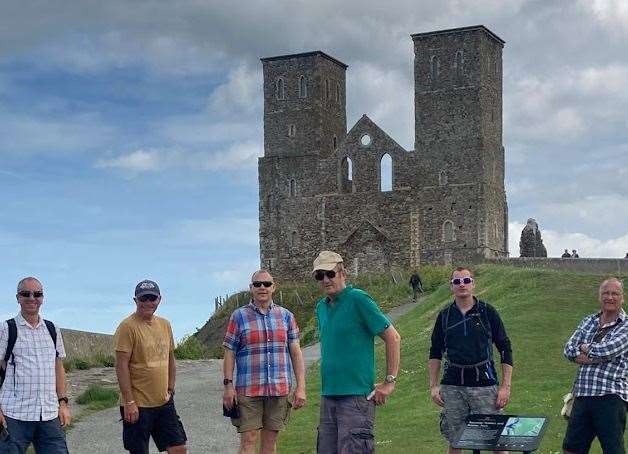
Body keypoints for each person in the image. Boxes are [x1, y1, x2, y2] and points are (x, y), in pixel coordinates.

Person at [313, 251, 401, 453]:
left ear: (343, 272)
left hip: (355, 398)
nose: (326, 279)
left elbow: (393, 337)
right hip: (328, 396)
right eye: (320, 276)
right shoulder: (321, 307)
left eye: (330, 273)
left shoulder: (358, 299)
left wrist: (389, 382)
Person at [428, 267, 513, 454]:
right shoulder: (445, 316)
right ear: (452, 286)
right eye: (457, 282)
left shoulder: (487, 312)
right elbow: (435, 352)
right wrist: (434, 386)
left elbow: (505, 348)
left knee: (496, 439)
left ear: (473, 284)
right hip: (452, 385)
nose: (462, 285)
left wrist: (505, 387)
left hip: (484, 383)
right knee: (455, 440)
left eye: (466, 280)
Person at [222, 270, 306, 454]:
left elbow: (296, 353)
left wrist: (301, 387)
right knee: (249, 438)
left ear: (273, 288)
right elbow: (229, 351)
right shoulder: (239, 316)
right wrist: (228, 386)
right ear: (251, 288)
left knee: (270, 441)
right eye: (257, 284)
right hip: (248, 389)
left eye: (266, 284)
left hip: (279, 389)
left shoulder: (286, 316)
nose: (262, 287)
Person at [114, 279, 187, 454]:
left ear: (159, 299)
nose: (148, 302)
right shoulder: (127, 327)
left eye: (152, 298)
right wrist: (129, 401)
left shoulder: (165, 324)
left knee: (178, 447)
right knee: (139, 451)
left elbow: (170, 358)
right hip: (138, 404)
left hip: (163, 401)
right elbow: (121, 365)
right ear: (135, 300)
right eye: (143, 298)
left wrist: (170, 388)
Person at [0, 277, 71, 453]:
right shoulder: (6, 329)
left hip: (48, 413)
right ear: (18, 298)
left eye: (37, 294)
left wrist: (63, 403)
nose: (32, 298)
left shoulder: (52, 329)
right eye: (26, 294)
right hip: (14, 414)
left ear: (42, 298)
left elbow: (58, 367)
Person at [562, 277, 627, 454]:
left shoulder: (626, 326)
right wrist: (593, 355)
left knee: (613, 450)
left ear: (622, 297)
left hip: (610, 398)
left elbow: (609, 349)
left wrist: (584, 347)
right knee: (571, 449)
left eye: (615, 293)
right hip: (582, 396)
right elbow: (568, 348)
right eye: (606, 293)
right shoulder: (588, 321)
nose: (610, 297)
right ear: (600, 296)